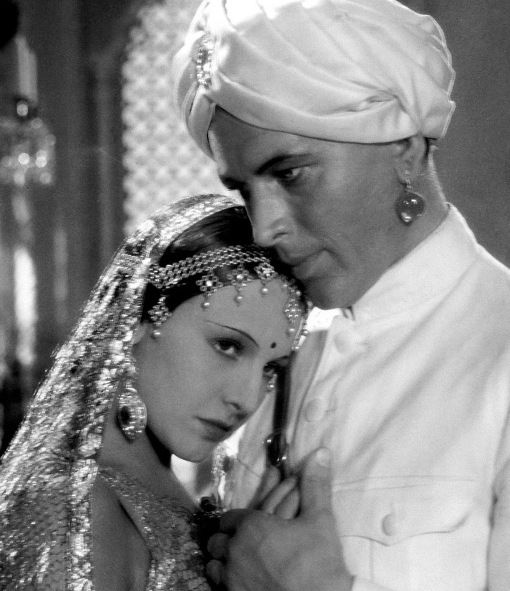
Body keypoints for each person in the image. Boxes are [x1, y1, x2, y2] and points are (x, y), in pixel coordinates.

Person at [171, 1, 510, 590]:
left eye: (289, 174)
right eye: (243, 190)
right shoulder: (274, 354)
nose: (263, 229)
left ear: (404, 149)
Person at [0, 193, 309, 590]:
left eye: (271, 369)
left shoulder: (154, 498)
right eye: (227, 346)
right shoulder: (73, 506)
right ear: (136, 321)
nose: (247, 399)